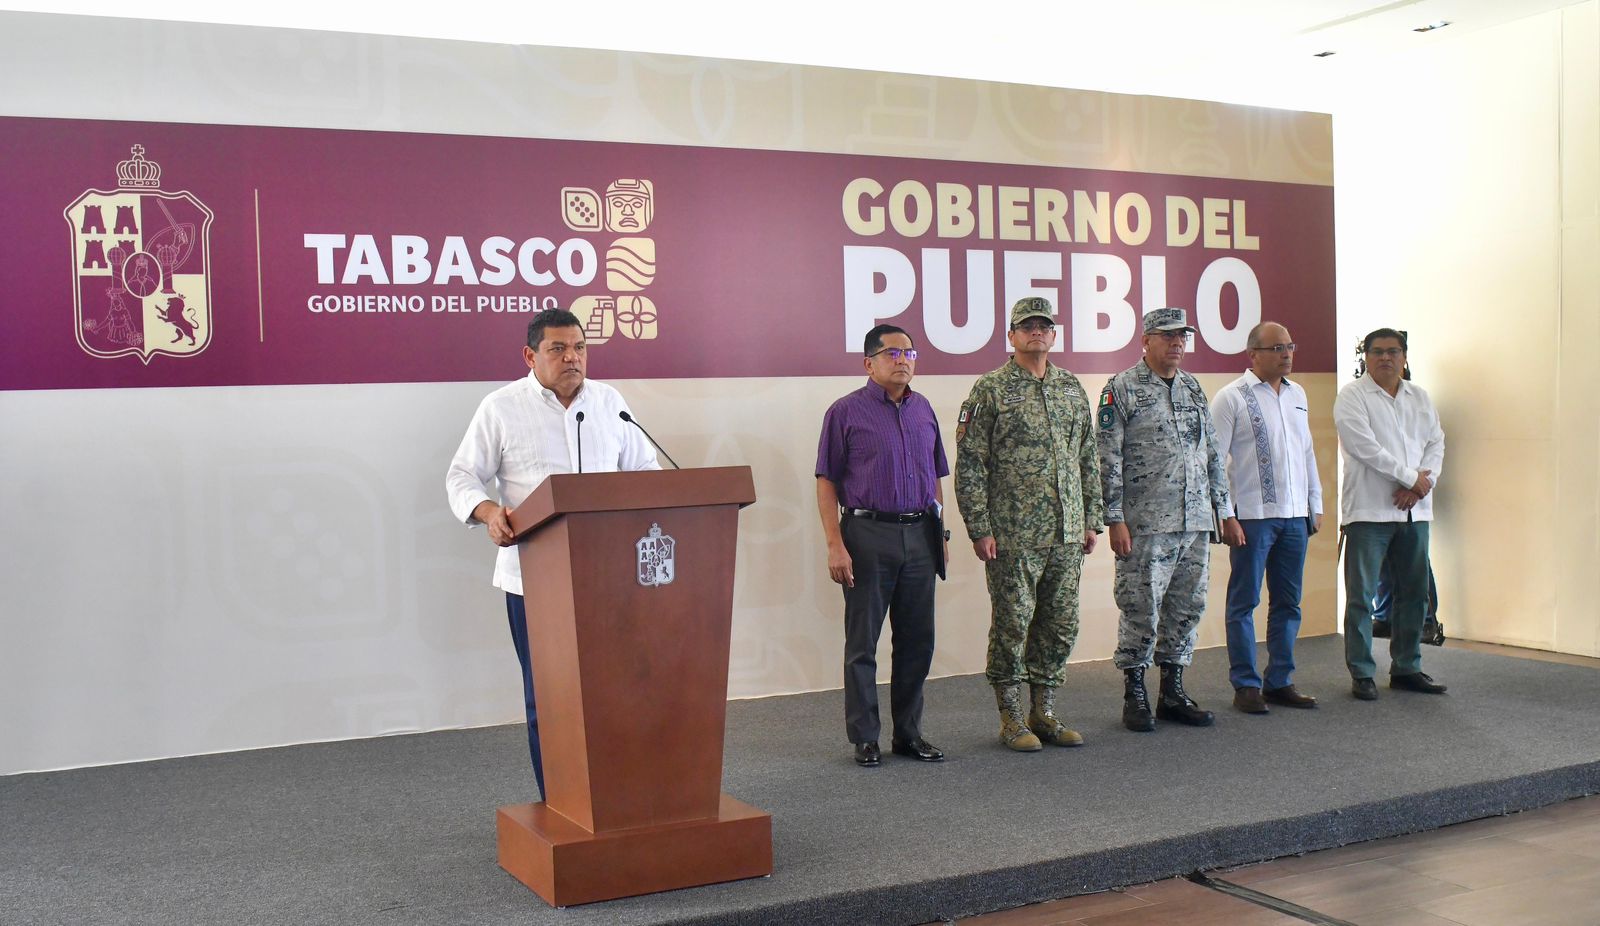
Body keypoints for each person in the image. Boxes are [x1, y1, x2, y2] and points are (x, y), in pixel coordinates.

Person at [445, 308, 660, 797]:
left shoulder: (610, 403)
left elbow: (643, 470)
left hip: (611, 577)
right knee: (549, 697)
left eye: (580, 347)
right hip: (534, 579)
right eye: (558, 349)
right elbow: (461, 476)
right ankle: (560, 800)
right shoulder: (501, 408)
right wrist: (487, 512)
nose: (572, 358)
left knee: (616, 691)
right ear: (530, 355)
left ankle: (617, 793)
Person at [955, 297, 1102, 752]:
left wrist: (1092, 518)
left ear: (1054, 335)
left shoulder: (1071, 388)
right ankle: (1011, 717)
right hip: (1013, 534)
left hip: (1066, 533)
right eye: (1027, 326)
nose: (1036, 332)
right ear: (1012, 336)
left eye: (1044, 326)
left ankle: (1045, 712)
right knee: (1014, 623)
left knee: (1059, 623)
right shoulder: (990, 390)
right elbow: (971, 463)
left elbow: (1087, 458)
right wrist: (979, 527)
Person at [1098, 307, 1239, 732]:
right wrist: (1114, 518)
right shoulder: (1121, 389)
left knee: (1186, 607)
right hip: (1145, 523)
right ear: (1146, 341)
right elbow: (1107, 459)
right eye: (1167, 336)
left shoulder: (1194, 388)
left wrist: (1225, 512)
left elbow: (1212, 454)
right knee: (1141, 607)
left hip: (1194, 522)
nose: (1177, 344)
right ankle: (1135, 693)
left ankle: (1172, 691)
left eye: (1182, 337)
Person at [816, 324, 949, 768]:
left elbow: (935, 479)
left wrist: (941, 533)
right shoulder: (845, 412)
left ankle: (908, 734)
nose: (903, 360)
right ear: (869, 363)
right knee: (863, 643)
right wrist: (835, 544)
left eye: (910, 353)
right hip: (867, 535)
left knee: (917, 642)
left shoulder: (924, 409)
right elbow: (826, 481)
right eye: (893, 353)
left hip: (920, 535)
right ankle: (866, 736)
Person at [1211, 322, 1323, 714]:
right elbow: (1214, 461)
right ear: (1253, 354)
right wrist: (1226, 515)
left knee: (1289, 603)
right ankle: (1245, 685)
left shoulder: (1298, 394)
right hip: (1253, 516)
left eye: (1290, 346)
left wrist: (1315, 501)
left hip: (1294, 516)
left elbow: (1306, 451)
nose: (1287, 354)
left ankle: (1280, 681)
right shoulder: (1231, 398)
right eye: (1277, 348)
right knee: (1244, 601)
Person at [1333, 328, 1447, 700]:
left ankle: (1407, 667)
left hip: (1414, 512)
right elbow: (1364, 448)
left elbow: (1436, 443)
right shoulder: (1352, 397)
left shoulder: (1420, 397)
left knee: (1414, 594)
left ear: (1405, 357)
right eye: (1377, 351)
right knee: (1361, 597)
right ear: (1365, 357)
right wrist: (1412, 478)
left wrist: (1419, 485)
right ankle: (1362, 672)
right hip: (1369, 511)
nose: (1385, 358)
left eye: (1393, 351)